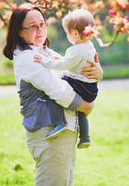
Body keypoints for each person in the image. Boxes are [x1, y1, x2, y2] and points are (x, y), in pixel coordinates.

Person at [2, 3, 103, 185]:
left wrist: (99, 72)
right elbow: (60, 92)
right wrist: (87, 106)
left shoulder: (43, 52)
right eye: (33, 26)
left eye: (42, 24)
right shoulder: (28, 59)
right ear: (19, 31)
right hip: (49, 134)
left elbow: (76, 67)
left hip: (63, 132)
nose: (40, 29)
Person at [34, 8, 99, 149]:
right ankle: (85, 137)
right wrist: (63, 59)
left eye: (66, 32)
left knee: (53, 91)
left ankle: (59, 123)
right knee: (79, 108)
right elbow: (74, 63)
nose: (67, 35)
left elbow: (63, 65)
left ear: (75, 33)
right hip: (91, 88)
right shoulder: (89, 46)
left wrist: (44, 61)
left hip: (79, 84)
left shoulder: (75, 49)